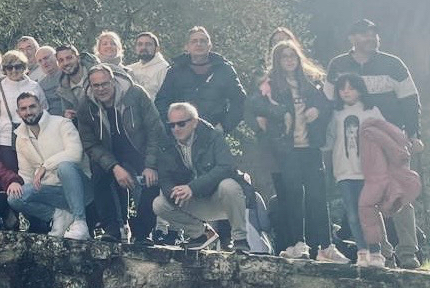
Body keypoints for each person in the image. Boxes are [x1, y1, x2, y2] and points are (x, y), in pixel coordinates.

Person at [248, 40, 343, 262]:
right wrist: (281, 113)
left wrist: (317, 110)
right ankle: (298, 243)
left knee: (318, 196)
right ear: (277, 61)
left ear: (299, 59)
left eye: (293, 56)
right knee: (293, 196)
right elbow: (252, 106)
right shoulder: (269, 86)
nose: (289, 60)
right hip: (286, 148)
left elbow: (327, 104)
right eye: (284, 56)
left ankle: (325, 246)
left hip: (310, 147)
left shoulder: (308, 83)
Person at [75, 64, 169, 244]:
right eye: (96, 86)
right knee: (99, 175)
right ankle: (112, 229)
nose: (101, 89)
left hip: (139, 149)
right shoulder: (85, 105)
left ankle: (142, 233)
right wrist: (114, 167)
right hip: (108, 151)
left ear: (113, 81)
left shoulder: (136, 94)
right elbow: (90, 143)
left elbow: (155, 130)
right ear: (90, 86)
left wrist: (150, 165)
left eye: (105, 84)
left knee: (151, 181)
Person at [153, 102, 248, 251]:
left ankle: (240, 240)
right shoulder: (166, 144)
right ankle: (201, 235)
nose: (176, 129)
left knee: (228, 185)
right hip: (194, 203)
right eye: (172, 125)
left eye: (181, 124)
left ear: (195, 122)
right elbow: (165, 178)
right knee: (159, 204)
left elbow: (226, 167)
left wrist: (193, 187)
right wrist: (173, 192)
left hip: (221, 200)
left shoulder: (213, 136)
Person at [325, 19, 422, 148]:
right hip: (349, 141)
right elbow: (328, 100)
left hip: (389, 139)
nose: (371, 38)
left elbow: (410, 100)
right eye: (365, 35)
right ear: (352, 38)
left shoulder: (393, 64)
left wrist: (413, 135)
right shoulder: (338, 65)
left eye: (374, 35)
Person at [325, 74, 389, 267]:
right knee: (352, 214)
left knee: (369, 212)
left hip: (369, 172)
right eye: (342, 88)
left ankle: (376, 251)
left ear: (360, 90)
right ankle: (362, 251)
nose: (346, 91)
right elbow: (328, 140)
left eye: (351, 87)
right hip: (344, 171)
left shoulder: (371, 111)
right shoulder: (335, 114)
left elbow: (385, 135)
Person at [6, 92, 90, 239]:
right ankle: (59, 215)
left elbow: (76, 153)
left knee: (65, 167)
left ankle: (80, 222)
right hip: (52, 193)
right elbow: (26, 173)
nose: (28, 112)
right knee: (14, 197)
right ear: (18, 113)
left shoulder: (62, 123)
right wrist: (19, 188)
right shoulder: (21, 137)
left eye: (32, 106)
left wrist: (45, 166)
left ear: (42, 106)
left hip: (79, 188)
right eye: (23, 109)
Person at [359, 113, 422, 269]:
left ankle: (407, 253)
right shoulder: (355, 89)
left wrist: (413, 134)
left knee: (401, 196)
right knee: (372, 198)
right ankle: (383, 253)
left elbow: (410, 102)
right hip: (366, 141)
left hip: (396, 141)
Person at [155, 27, 246, 133]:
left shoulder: (224, 70)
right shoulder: (175, 71)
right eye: (194, 41)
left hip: (213, 134)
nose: (199, 44)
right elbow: (162, 102)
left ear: (209, 46)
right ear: (187, 47)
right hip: (180, 134)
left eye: (203, 41)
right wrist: (173, 126)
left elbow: (240, 101)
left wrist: (224, 126)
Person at [0, 50, 46, 171]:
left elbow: (44, 110)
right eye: (9, 67)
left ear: (24, 67)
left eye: (18, 67)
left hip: (33, 138)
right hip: (7, 142)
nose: (13, 71)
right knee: (12, 180)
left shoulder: (34, 86)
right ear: (4, 69)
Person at [54, 44, 98, 118]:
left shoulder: (97, 74)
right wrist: (67, 116)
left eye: (69, 58)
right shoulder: (63, 89)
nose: (66, 63)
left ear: (78, 58)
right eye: (61, 60)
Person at [124, 31, 170, 99]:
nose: (143, 47)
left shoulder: (164, 69)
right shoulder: (129, 69)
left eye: (148, 44)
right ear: (135, 48)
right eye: (140, 44)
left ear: (157, 49)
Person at [34, 46, 64, 116]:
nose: (44, 63)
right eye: (40, 61)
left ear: (55, 57)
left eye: (46, 58)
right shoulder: (40, 85)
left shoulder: (68, 74)